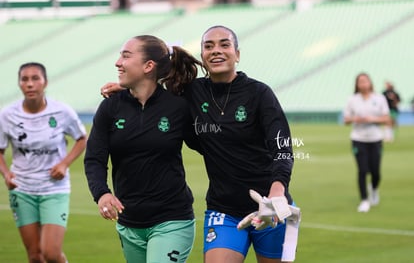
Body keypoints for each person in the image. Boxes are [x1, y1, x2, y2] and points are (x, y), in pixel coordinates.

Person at [101, 26, 300, 263]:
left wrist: (277, 191)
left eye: (224, 45)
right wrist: (128, 89)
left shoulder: (259, 93)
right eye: (209, 46)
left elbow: (282, 147)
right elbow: (154, 93)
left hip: (270, 207)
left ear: (237, 54)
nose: (216, 51)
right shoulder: (190, 94)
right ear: (203, 56)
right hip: (223, 209)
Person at [84, 35, 202, 263]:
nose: (118, 62)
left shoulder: (178, 107)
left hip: (172, 219)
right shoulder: (110, 107)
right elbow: (94, 158)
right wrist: (102, 193)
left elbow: (209, 146)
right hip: (129, 222)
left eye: (126, 56)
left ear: (149, 66)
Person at [0, 62, 87, 263]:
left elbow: (82, 139)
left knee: (51, 253)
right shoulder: (7, 115)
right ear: (20, 84)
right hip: (22, 189)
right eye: (25, 79)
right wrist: (6, 174)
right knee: (35, 256)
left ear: (45, 82)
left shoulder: (61, 112)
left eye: (35, 78)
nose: (30, 84)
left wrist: (64, 164)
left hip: (54, 189)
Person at [343, 72, 390, 213]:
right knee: (362, 170)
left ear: (370, 83)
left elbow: (387, 119)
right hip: (358, 139)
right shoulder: (352, 100)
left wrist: (372, 119)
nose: (363, 84)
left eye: (365, 81)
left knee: (376, 171)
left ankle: (374, 189)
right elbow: (346, 119)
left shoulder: (379, 98)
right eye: (360, 81)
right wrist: (354, 119)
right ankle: (364, 200)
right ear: (357, 84)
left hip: (375, 139)